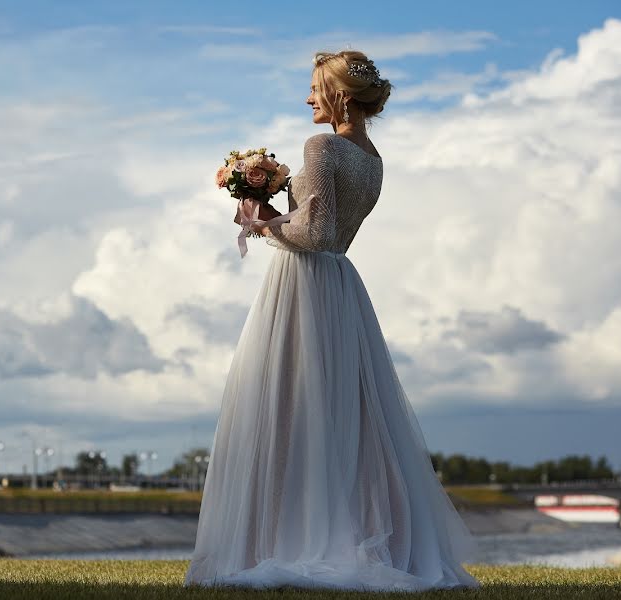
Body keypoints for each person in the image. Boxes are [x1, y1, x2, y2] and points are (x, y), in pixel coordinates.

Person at [184, 50, 481, 591]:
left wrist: (262, 218)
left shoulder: (321, 146)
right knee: (346, 416)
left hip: (303, 283)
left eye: (315, 89)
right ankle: (358, 531)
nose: (307, 99)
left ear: (340, 95)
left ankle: (285, 539)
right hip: (341, 284)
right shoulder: (373, 159)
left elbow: (314, 234)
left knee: (290, 408)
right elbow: (333, 231)